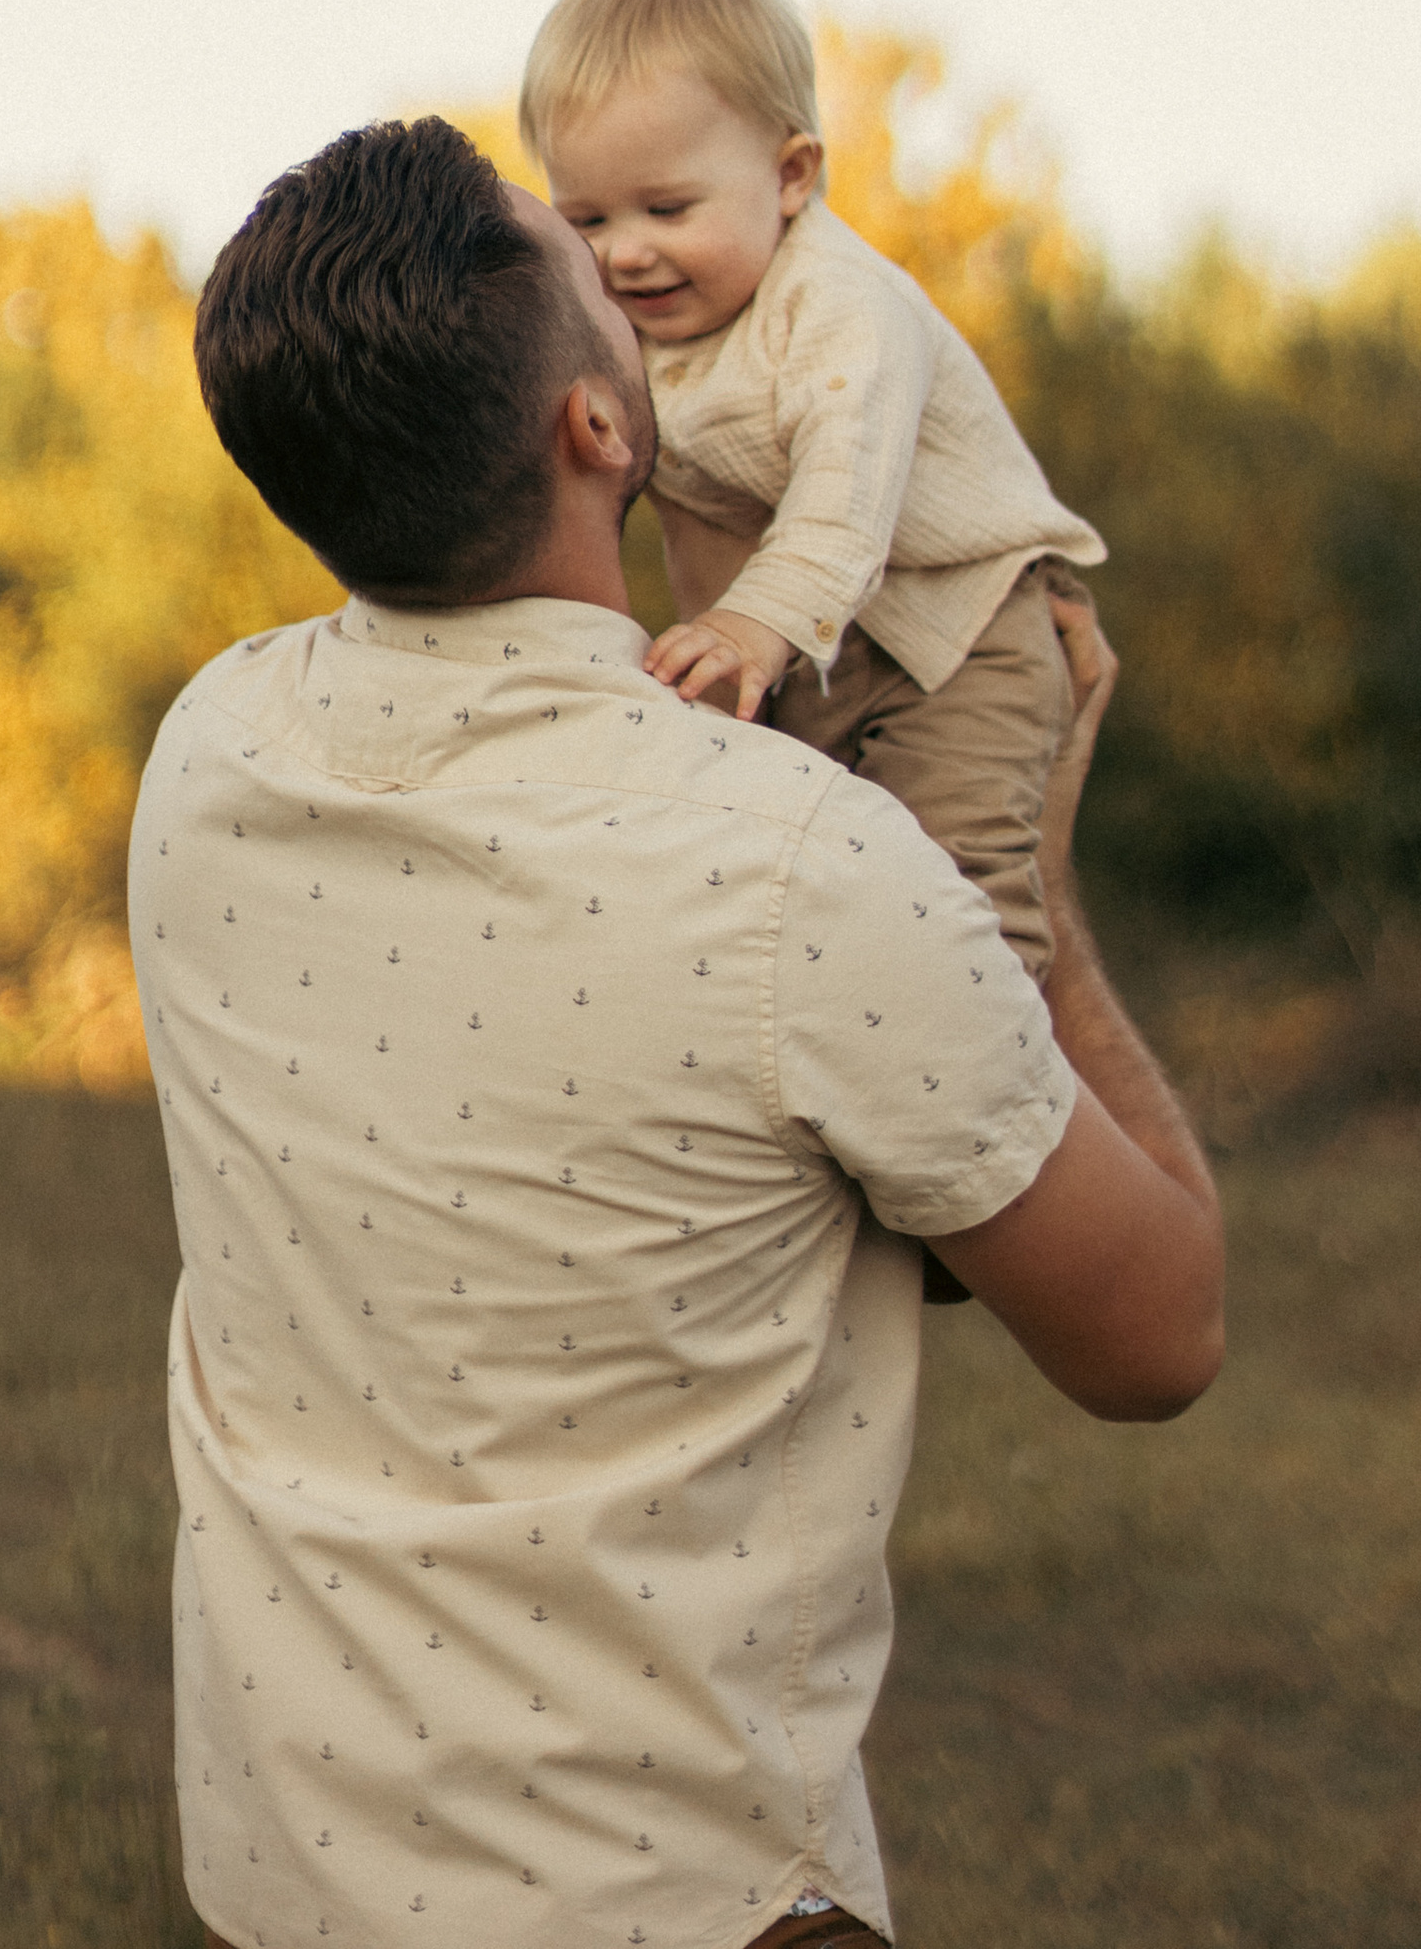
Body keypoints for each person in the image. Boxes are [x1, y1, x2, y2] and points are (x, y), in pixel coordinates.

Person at [139, 114, 1221, 1949]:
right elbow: (1160, 1334)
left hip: (287, 1882)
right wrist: (1024, 879)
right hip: (671, 1904)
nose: (637, 275)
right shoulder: (804, 871)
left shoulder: (210, 757)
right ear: (596, 427)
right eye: (583, 257)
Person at [521, 0, 1105, 978]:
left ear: (790, 177)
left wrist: (748, 628)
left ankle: (993, 1056)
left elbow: (845, 500)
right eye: (588, 221)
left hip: (962, 627)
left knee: (955, 880)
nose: (624, 254)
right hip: (800, 650)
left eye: (667, 210)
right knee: (796, 894)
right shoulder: (630, 333)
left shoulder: (840, 309)